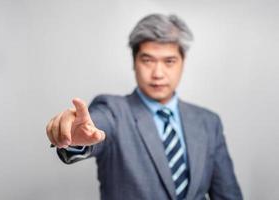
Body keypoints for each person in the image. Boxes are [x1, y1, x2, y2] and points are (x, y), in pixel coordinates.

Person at [45, 14, 243, 200]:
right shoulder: (113, 110)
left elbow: (228, 194)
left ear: (183, 63)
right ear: (134, 62)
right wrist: (75, 138)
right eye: (147, 60)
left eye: (169, 61)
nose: (158, 73)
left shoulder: (209, 123)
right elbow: (96, 125)